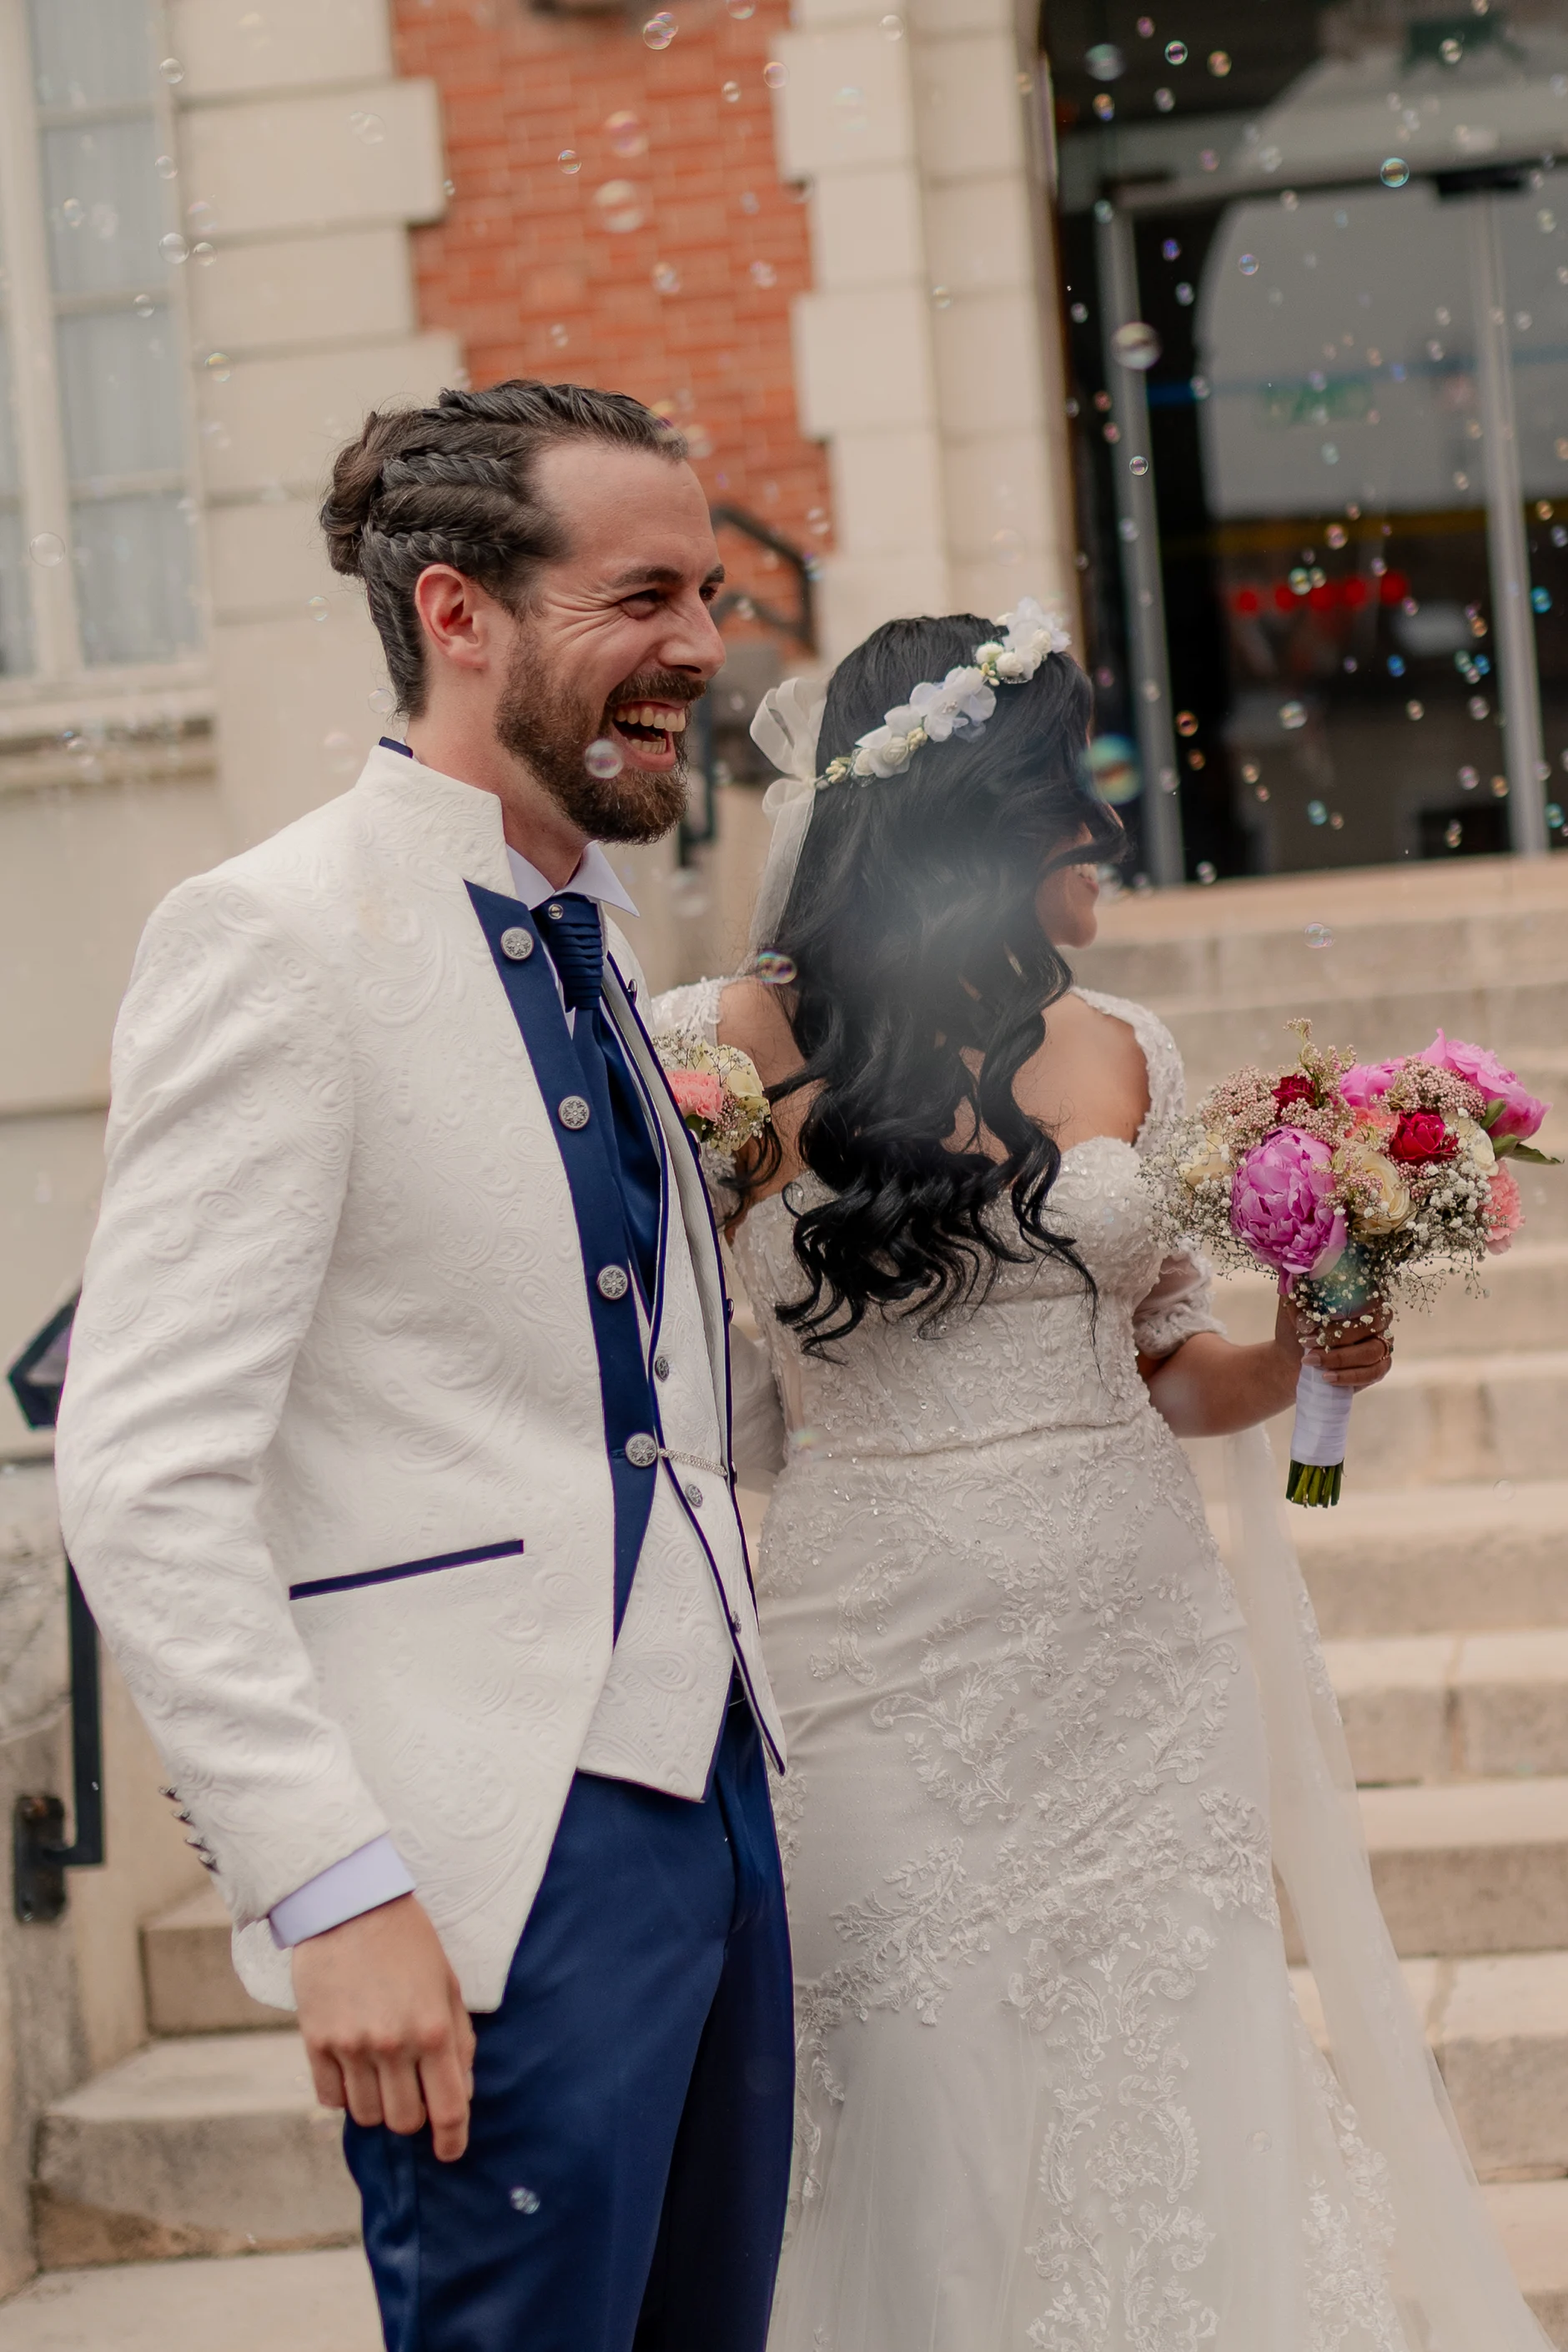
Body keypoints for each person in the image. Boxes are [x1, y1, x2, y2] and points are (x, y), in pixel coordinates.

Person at [653, 609, 1553, 2350]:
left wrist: (1305, 1356)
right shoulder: (711, 1047)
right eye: (1067, 783)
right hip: (874, 1646)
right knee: (905, 2069)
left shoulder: (1120, 1040)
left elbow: (1165, 1369)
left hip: (1132, 1659)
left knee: (1167, 2077)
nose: (1098, 822)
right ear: (982, 805)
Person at [53, 379, 795, 2352]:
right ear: (458, 612)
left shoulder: (594, 943)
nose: (703, 652)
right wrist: (330, 1883)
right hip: (487, 1849)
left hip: (710, 1794)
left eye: (710, 595)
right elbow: (143, 1470)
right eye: (644, 595)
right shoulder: (272, 938)